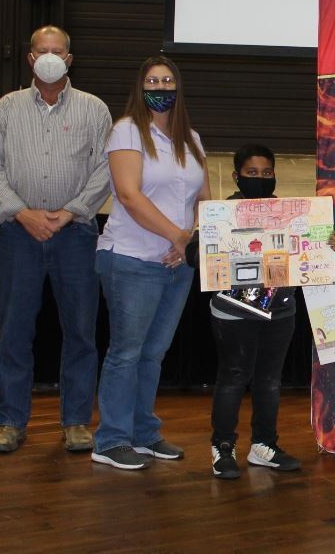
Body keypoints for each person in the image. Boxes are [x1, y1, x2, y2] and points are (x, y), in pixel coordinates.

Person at [0, 25, 112, 453]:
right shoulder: (5, 109)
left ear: (69, 59)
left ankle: (75, 421)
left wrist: (69, 212)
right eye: (42, 50)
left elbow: (105, 170)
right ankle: (10, 422)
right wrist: (22, 212)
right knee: (14, 330)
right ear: (30, 57)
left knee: (80, 331)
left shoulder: (94, 110)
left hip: (75, 235)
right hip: (18, 235)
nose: (50, 57)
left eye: (58, 51)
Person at [192, 144, 335, 478]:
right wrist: (203, 249)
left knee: (269, 382)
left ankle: (263, 445)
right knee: (233, 378)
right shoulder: (222, 213)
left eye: (266, 173)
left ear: (275, 175)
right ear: (237, 176)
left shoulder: (290, 214)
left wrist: (328, 244)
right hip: (233, 312)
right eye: (251, 173)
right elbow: (195, 254)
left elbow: (313, 251)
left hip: (280, 311)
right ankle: (223, 447)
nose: (259, 179)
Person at [91, 56, 209, 470]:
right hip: (131, 259)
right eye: (152, 80)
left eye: (168, 79)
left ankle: (143, 433)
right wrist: (177, 236)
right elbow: (129, 195)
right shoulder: (126, 131)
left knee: (152, 353)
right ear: (140, 87)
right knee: (126, 352)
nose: (161, 86)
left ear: (178, 87)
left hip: (177, 264)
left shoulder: (191, 138)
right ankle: (110, 440)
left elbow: (204, 200)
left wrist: (190, 239)